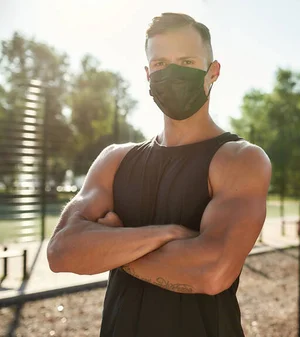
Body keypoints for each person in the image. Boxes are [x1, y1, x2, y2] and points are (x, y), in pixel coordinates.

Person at [47, 12, 271, 337]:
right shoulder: (114, 160)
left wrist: (106, 248)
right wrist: (165, 234)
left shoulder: (240, 160)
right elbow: (60, 252)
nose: (173, 73)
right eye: (161, 64)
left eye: (187, 61)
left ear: (213, 72)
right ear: (147, 74)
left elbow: (212, 271)